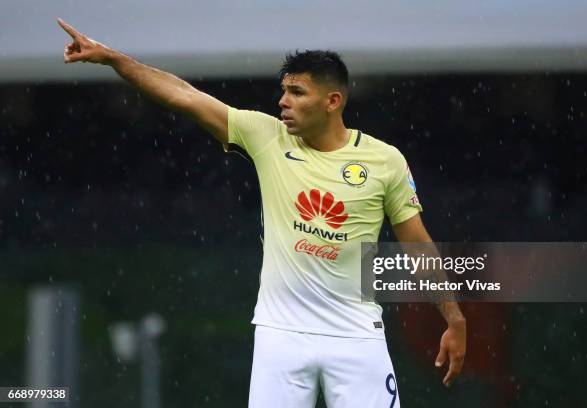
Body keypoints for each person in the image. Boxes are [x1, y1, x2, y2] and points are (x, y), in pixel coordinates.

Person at [58, 18, 466, 407]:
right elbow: (183, 95)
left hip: (357, 336)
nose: (283, 101)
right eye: (284, 90)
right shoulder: (266, 135)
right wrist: (114, 60)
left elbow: (417, 243)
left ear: (333, 101)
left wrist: (453, 316)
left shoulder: (384, 160)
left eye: (297, 92)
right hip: (280, 338)